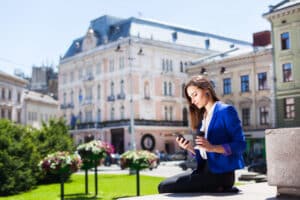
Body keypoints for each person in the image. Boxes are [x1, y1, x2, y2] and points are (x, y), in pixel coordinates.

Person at [158, 75, 246, 193]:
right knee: (162, 185)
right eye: (190, 97)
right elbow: (205, 153)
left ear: (206, 90)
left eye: (195, 94)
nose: (193, 100)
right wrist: (189, 148)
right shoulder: (203, 117)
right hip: (204, 171)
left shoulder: (226, 111)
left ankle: (221, 187)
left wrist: (213, 148)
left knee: (165, 187)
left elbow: (240, 145)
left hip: (220, 175)